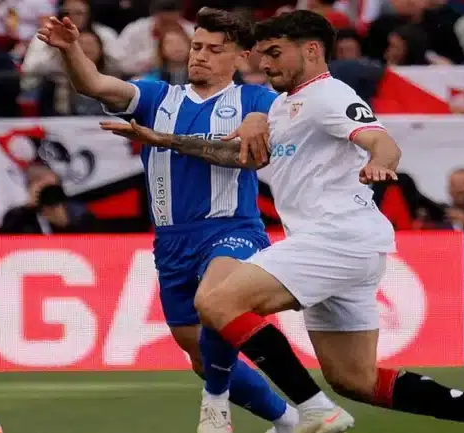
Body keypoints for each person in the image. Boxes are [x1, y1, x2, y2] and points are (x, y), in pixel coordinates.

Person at [101, 10, 464, 433]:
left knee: (216, 303)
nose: (264, 62)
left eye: (274, 52)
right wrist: (164, 140)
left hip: (337, 236)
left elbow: (379, 140)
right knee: (356, 379)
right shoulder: (285, 106)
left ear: (310, 51)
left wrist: (379, 162)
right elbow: (235, 156)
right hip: (338, 247)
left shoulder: (330, 94)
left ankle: (312, 411)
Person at [38, 7, 341, 433]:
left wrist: (257, 119)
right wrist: (70, 50)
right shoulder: (159, 97)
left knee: (216, 304)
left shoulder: (254, 100)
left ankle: (217, 407)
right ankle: (288, 420)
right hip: (170, 242)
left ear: (239, 58)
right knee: (200, 355)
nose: (200, 56)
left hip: (231, 230)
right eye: (197, 46)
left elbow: (262, 136)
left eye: (214, 50)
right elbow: (94, 83)